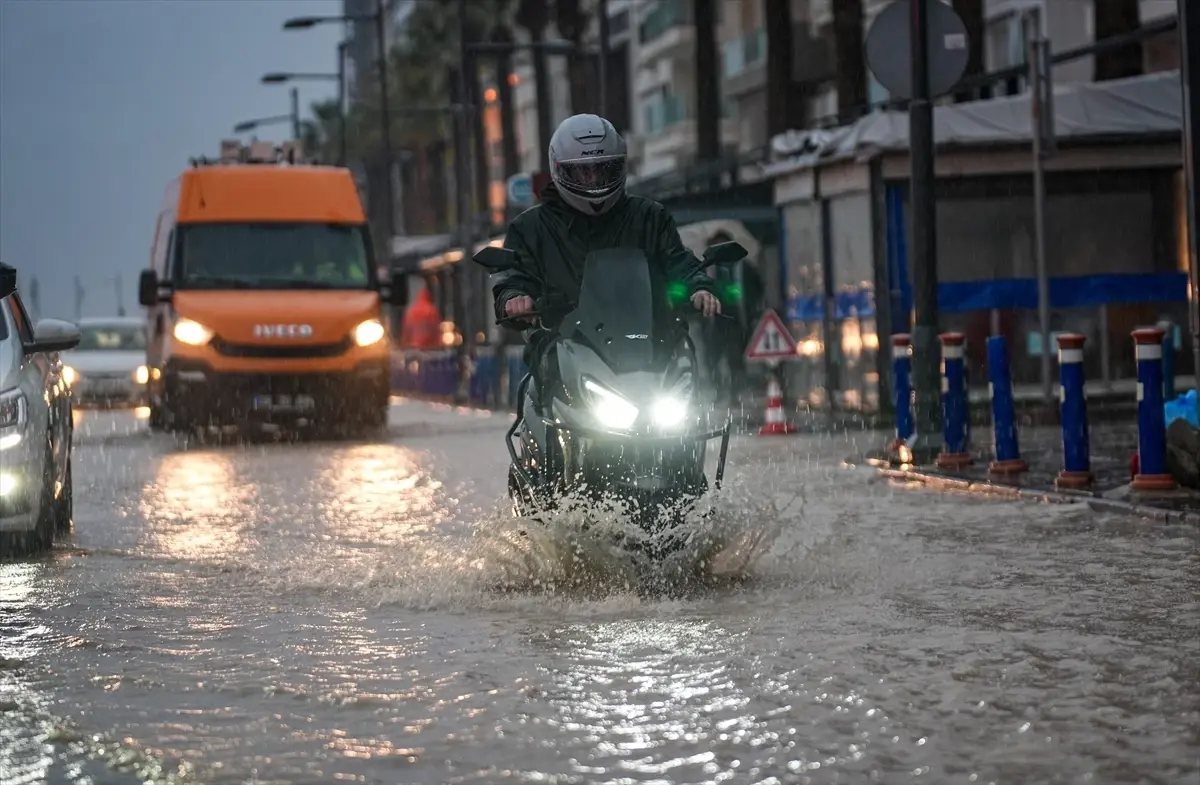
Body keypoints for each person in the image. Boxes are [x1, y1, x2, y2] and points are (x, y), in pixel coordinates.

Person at [491, 114, 721, 407]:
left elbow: (678, 261)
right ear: (559, 170)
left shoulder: (649, 217)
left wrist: (699, 287)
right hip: (566, 350)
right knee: (547, 402)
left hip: (650, 348)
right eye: (582, 173)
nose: (594, 180)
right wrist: (515, 298)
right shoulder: (531, 228)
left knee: (685, 412)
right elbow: (513, 276)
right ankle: (551, 448)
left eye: (603, 170)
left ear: (620, 167)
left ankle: (688, 450)